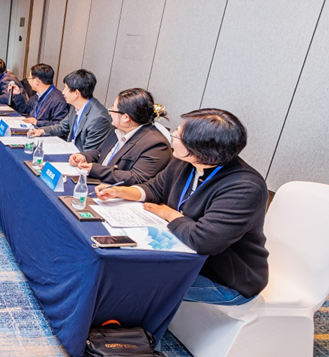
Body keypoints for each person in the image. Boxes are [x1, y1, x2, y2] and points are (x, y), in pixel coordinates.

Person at [95, 109, 269, 305]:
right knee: (115, 264)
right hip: (180, 257)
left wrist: (169, 214)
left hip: (223, 279)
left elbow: (205, 241)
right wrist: (121, 192)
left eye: (177, 134)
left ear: (198, 149)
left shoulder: (244, 187)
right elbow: (155, 188)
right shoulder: (183, 163)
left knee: (130, 277)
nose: (172, 136)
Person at [68, 88, 171, 185]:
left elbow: (136, 178)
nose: (110, 113)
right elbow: (100, 152)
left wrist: (95, 170)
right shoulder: (117, 129)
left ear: (126, 117)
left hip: (117, 191)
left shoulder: (156, 144)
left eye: (113, 109)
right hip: (99, 184)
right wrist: (84, 157)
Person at [27, 69, 112, 152]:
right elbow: (62, 127)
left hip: (79, 157)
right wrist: (42, 131)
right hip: (69, 149)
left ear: (76, 93)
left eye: (66, 88)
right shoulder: (74, 107)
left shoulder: (98, 118)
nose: (63, 92)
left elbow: (89, 153)